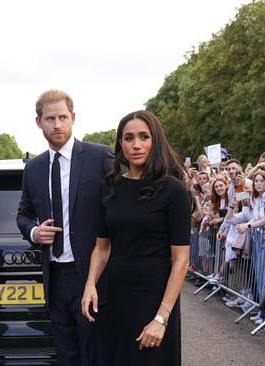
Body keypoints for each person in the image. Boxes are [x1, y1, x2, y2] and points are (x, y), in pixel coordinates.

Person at [82, 110, 190, 366]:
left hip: (155, 300)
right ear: (121, 144)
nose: (136, 144)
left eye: (144, 136)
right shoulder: (109, 187)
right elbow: (102, 248)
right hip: (115, 300)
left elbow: (181, 261)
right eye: (129, 138)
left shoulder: (173, 190)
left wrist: (161, 318)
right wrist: (90, 284)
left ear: (156, 141)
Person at [16, 89, 113, 366]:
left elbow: (121, 206)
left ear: (73, 117)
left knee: (94, 354)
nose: (57, 124)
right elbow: (23, 214)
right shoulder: (33, 168)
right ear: (39, 122)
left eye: (62, 117)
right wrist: (34, 232)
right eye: (50, 119)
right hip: (55, 276)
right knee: (66, 355)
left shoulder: (100, 157)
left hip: (92, 276)